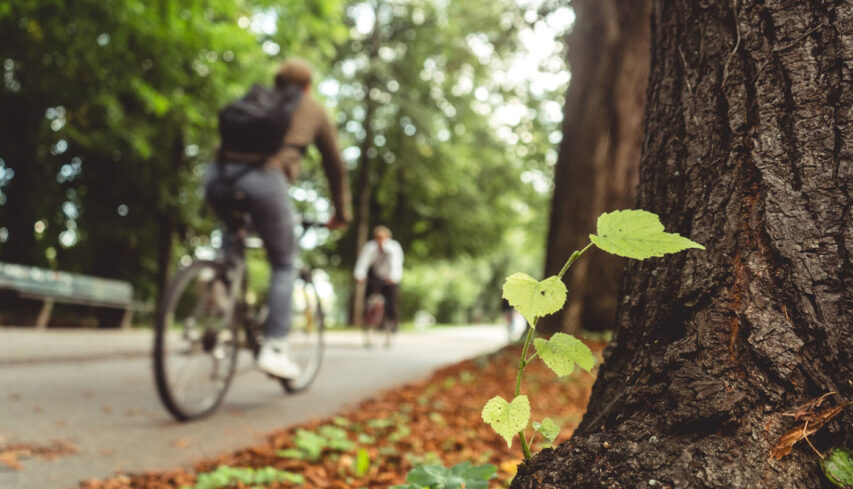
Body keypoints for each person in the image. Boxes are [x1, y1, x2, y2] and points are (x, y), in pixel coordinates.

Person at [204, 58, 351, 379]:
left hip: (218, 175)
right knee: (284, 262)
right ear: (307, 87)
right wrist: (342, 212)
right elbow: (335, 164)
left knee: (233, 233)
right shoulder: (312, 108)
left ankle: (218, 281)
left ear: (278, 81)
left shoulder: (258, 97)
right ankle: (275, 348)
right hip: (264, 179)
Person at [354, 226, 404, 336]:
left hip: (390, 277)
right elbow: (363, 262)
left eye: (382, 238)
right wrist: (360, 275)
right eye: (378, 238)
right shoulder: (370, 247)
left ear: (387, 238)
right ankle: (367, 318)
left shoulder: (394, 247)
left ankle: (392, 321)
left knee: (391, 300)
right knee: (368, 295)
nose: (380, 241)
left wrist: (393, 277)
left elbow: (396, 264)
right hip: (376, 275)